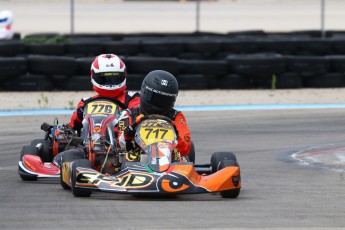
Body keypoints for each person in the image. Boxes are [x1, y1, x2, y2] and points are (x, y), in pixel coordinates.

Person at [118, 70, 193, 159]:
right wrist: (129, 133)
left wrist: (176, 137)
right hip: (136, 160)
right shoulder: (129, 114)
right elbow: (120, 145)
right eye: (156, 99)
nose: (158, 104)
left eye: (164, 101)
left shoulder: (176, 116)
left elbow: (185, 148)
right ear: (145, 92)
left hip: (169, 162)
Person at [69, 54, 140, 131]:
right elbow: (73, 126)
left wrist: (126, 114)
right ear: (93, 75)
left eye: (114, 78)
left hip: (122, 139)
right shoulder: (85, 103)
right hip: (92, 139)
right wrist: (80, 114)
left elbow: (137, 118)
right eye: (104, 79)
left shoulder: (132, 98)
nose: (110, 83)